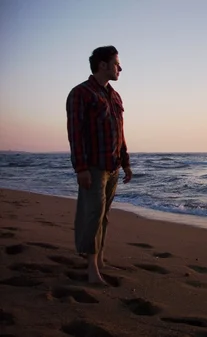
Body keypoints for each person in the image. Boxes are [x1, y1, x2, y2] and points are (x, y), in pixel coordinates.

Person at [66, 46, 132, 285]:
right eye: (116, 63)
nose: (120, 68)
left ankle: (99, 258)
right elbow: (75, 134)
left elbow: (120, 133)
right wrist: (81, 168)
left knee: (103, 215)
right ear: (103, 65)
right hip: (93, 166)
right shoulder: (80, 93)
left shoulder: (115, 96)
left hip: (112, 166)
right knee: (93, 213)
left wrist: (125, 163)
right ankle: (92, 269)